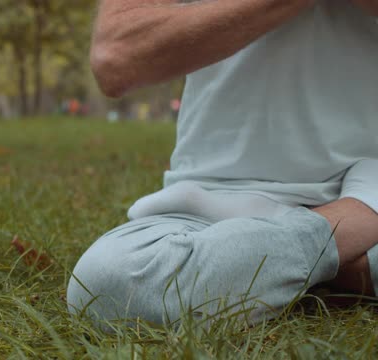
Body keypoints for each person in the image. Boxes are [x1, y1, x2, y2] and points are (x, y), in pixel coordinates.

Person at [67, 0, 378, 326]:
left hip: (364, 174)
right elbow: (117, 56)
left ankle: (262, 268)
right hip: (214, 208)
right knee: (107, 285)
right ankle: (349, 232)